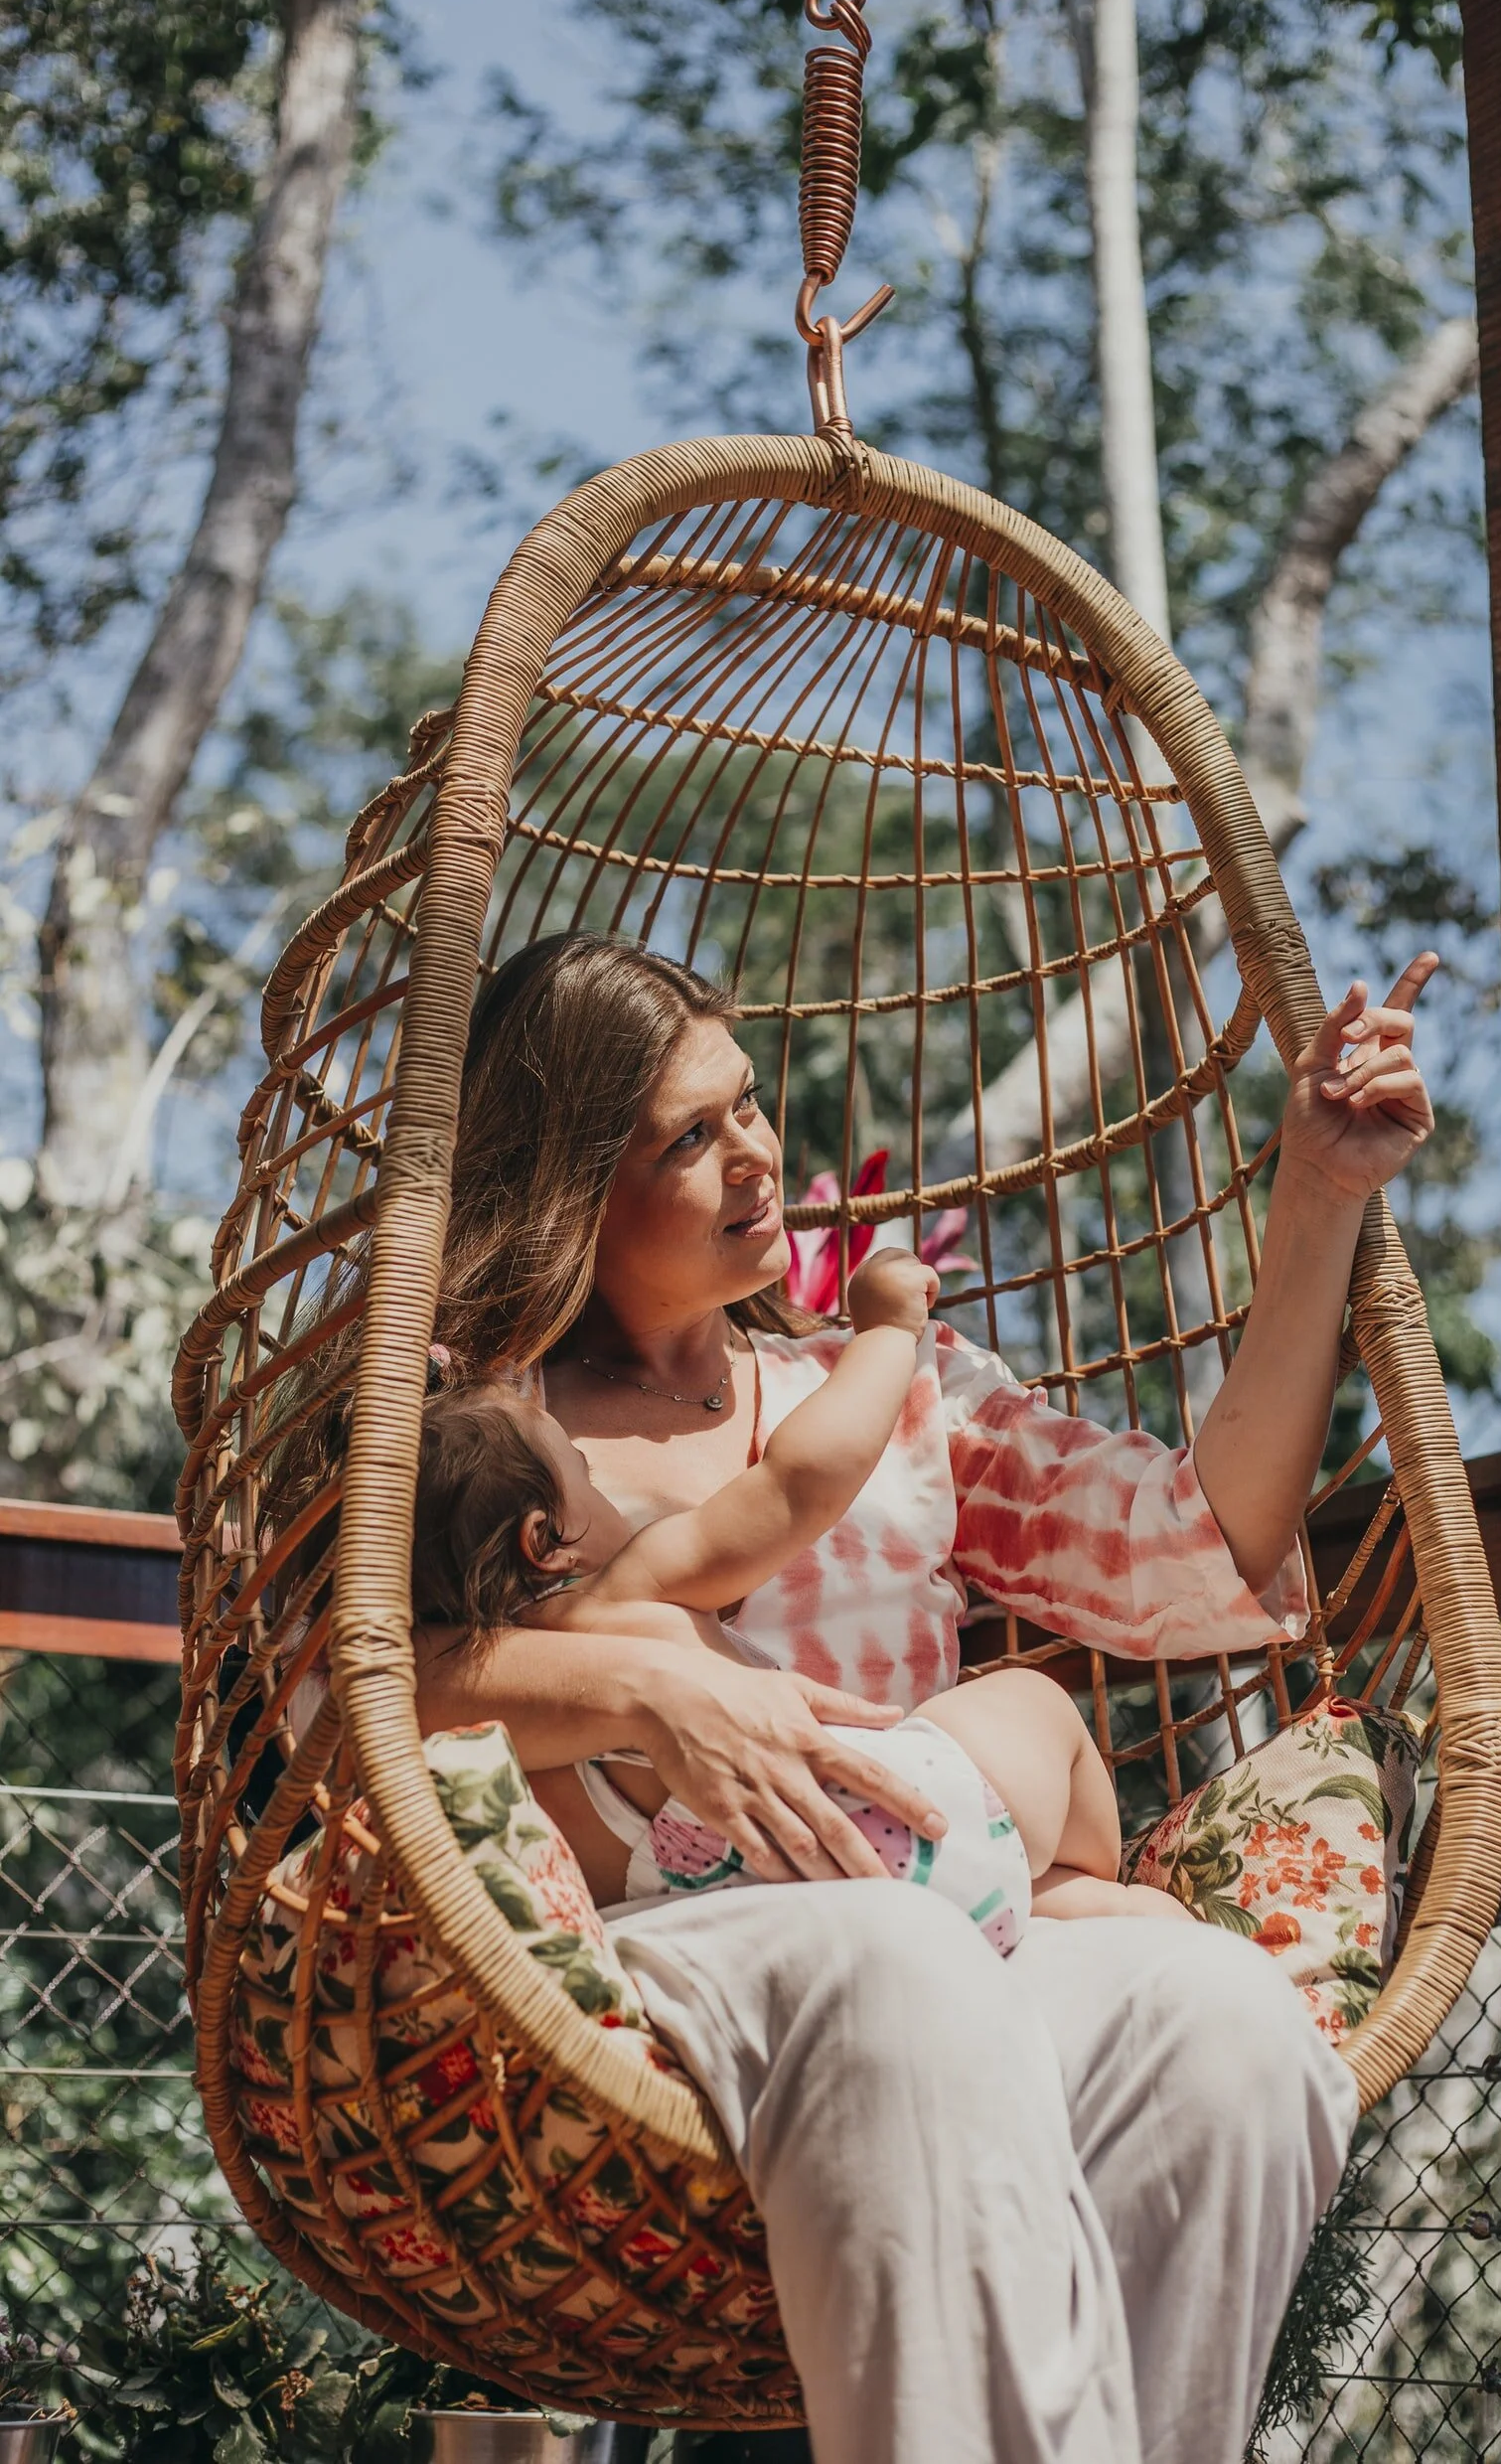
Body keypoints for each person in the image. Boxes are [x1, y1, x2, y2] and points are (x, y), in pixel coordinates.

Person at [412, 928, 1438, 2464]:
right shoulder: (477, 1439)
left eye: (748, 1104)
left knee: (1223, 2024)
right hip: (650, 1958)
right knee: (890, 1964)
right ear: (570, 1183)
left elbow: (1202, 1542)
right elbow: (342, 1689)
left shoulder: (885, 1394)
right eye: (689, 1138)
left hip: (940, 1917)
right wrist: (640, 1691)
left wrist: (1316, 1197)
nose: (755, 1155)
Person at [411, 1241, 1184, 1940]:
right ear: (546, 1542)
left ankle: (1043, 1899)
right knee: (1028, 1703)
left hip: (748, 1913)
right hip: (898, 1821)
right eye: (583, 1473)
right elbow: (801, 1483)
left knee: (1082, 1907)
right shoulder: (622, 1592)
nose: (600, 1485)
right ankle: (1080, 1877)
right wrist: (883, 1333)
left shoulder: (497, 1743)